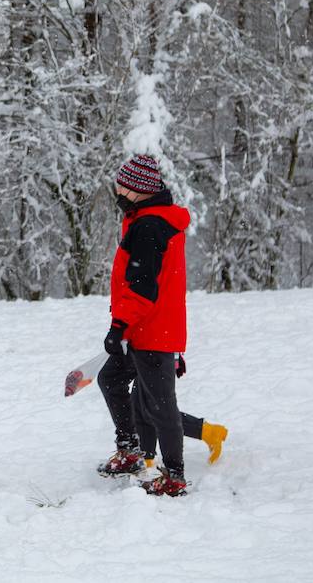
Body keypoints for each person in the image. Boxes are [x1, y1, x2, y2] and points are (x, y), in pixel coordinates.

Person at [100, 153, 206, 497]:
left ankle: (174, 476)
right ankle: (130, 449)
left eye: (121, 184)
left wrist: (118, 326)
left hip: (151, 329)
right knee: (111, 378)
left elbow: (143, 287)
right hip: (145, 328)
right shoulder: (146, 219)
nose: (116, 188)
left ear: (135, 190)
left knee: (160, 405)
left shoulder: (149, 226)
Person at [94, 350, 228, 477]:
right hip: (144, 341)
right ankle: (144, 457)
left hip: (152, 343)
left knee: (147, 405)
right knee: (142, 403)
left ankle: (144, 457)